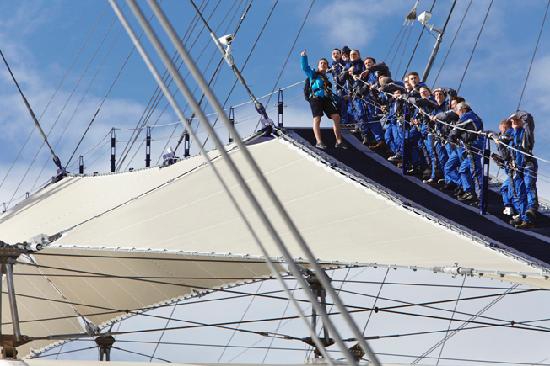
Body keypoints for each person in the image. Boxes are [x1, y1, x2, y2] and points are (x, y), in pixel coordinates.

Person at [300, 50, 345, 149]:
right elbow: (305, 68)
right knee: (317, 118)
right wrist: (304, 57)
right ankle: (319, 141)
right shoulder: (313, 74)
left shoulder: (327, 80)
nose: (323, 65)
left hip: (326, 98)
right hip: (315, 98)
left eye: (325, 64)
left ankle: (339, 141)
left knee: (336, 116)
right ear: (318, 65)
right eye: (321, 63)